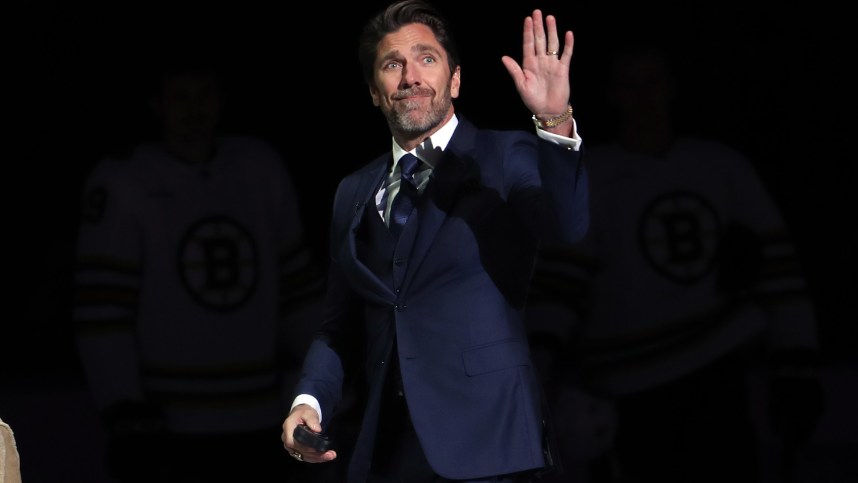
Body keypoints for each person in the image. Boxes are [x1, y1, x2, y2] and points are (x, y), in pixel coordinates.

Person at [280, 1, 588, 482]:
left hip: (495, 443)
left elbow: (567, 227)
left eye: (426, 58)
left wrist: (554, 124)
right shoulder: (353, 192)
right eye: (392, 64)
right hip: (391, 451)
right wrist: (309, 400)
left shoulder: (503, 156)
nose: (410, 76)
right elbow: (339, 325)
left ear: (456, 80)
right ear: (375, 94)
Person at [525, 41, 825, 483]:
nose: (644, 97)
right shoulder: (592, 175)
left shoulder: (721, 167)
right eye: (631, 85)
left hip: (720, 373)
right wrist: (538, 380)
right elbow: (560, 288)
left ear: (671, 89)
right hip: (628, 391)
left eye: (653, 82)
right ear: (612, 94)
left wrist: (797, 365)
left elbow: (778, 275)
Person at [72, 47, 327, 482]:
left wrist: (315, 385)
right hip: (165, 420)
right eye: (179, 97)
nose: (194, 109)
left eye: (204, 94)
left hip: (260, 410)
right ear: (156, 105)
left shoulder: (259, 168)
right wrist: (122, 403)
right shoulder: (123, 181)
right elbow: (101, 309)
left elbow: (297, 289)